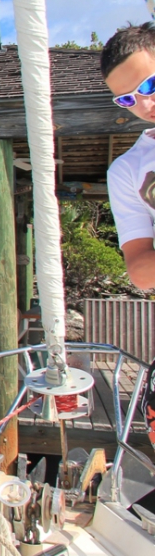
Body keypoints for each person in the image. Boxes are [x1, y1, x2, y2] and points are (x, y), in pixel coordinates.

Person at [101, 22, 155, 442]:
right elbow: (140, 270)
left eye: (149, 83)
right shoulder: (128, 170)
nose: (144, 102)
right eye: (127, 98)